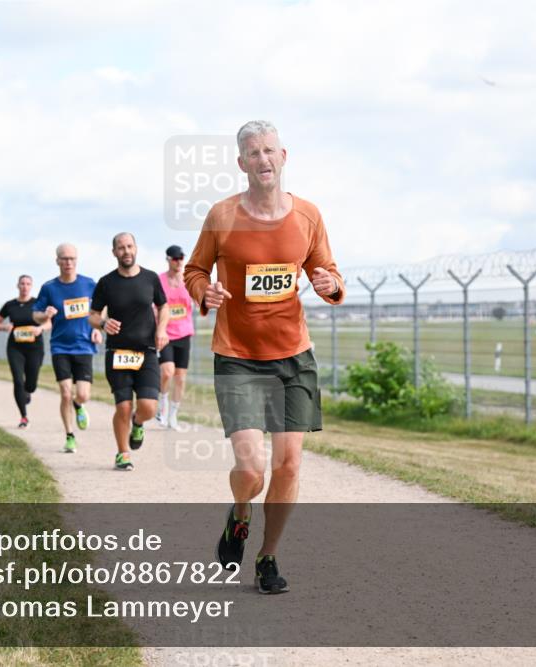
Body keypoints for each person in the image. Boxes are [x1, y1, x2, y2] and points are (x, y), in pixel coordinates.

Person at [184, 120, 345, 594]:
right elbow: (195, 269)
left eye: (270, 150)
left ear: (284, 156)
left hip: (293, 357)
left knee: (289, 465)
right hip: (237, 357)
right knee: (252, 469)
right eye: (253, 153)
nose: (263, 159)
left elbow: (328, 271)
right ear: (242, 163)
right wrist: (204, 291)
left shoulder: (308, 215)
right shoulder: (222, 215)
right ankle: (240, 514)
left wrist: (331, 285)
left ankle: (268, 557)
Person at [89, 233, 169, 471]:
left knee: (148, 407)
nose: (126, 251)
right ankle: (123, 453)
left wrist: (161, 329)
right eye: (121, 248)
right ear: (114, 252)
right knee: (123, 406)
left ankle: (138, 422)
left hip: (146, 352)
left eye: (129, 246)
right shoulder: (106, 282)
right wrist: (103, 323)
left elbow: (163, 306)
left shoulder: (150, 278)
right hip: (117, 353)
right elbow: (92, 315)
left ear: (136, 248)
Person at [33, 243, 102, 453]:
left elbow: (102, 309)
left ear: (77, 260)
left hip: (84, 346)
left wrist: (98, 328)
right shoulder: (49, 287)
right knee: (65, 393)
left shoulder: (89, 284)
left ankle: (78, 405)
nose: (68, 262)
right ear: (57, 261)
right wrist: (45, 315)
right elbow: (35, 315)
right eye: (64, 258)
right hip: (60, 347)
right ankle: (70, 436)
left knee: (83, 394)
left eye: (72, 258)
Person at [0, 275, 51, 428]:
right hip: (15, 347)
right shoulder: (10, 305)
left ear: (31, 286)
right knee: (18, 381)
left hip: (35, 348)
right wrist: (4, 327)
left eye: (28, 284)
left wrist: (40, 328)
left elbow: (49, 323)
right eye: (22, 283)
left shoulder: (38, 304)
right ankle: (24, 417)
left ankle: (28, 391)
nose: (25, 286)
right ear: (17, 285)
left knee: (31, 385)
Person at [157, 245, 195, 429]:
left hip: (184, 333)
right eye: (175, 258)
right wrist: (157, 329)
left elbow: (199, 299)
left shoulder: (188, 280)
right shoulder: (159, 280)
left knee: (180, 378)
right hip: (165, 333)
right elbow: (153, 305)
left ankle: (173, 416)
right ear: (168, 259)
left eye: (181, 258)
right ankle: (162, 403)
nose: (179, 261)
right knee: (167, 372)